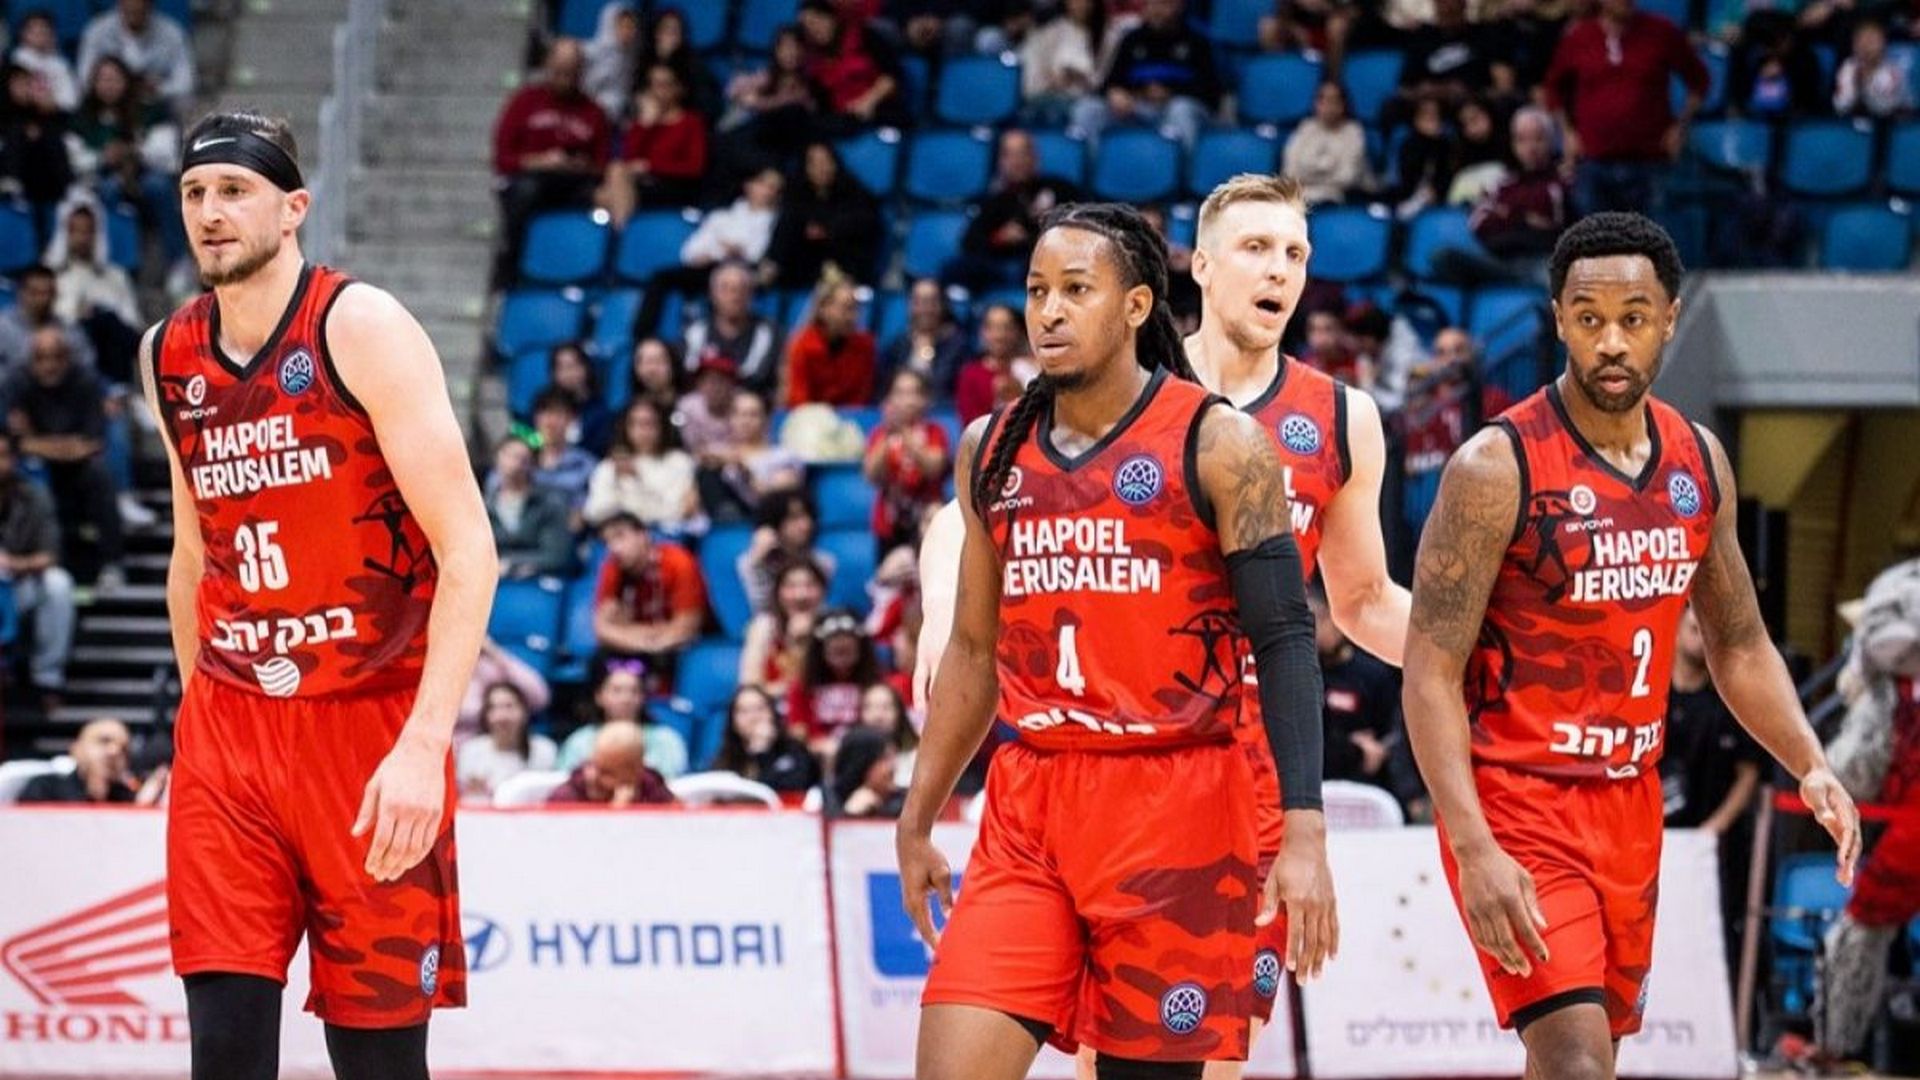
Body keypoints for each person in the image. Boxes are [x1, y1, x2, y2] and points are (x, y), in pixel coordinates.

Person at [1400, 212, 1861, 1080]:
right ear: (1558, 319)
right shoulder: (1495, 468)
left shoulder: (1698, 461)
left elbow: (1739, 644)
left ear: (1670, 319)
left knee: (1589, 1061)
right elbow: (1429, 674)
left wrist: (1810, 762)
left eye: (1633, 318)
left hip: (1630, 804)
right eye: (1588, 318)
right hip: (1521, 802)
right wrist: (1472, 845)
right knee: (1574, 1058)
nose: (1611, 341)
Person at [898, 202, 1331, 1079]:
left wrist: (1304, 832)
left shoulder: (1221, 442)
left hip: (1179, 804)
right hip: (1032, 803)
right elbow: (975, 655)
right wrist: (917, 817)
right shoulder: (992, 447)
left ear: (1136, 305)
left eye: (1075, 290)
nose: (1049, 312)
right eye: (1037, 292)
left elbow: (1286, 639)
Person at [142, 111, 496, 1080]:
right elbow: (191, 555)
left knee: (378, 1065)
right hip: (231, 731)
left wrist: (424, 746)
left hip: (367, 729)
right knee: (224, 1053)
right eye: (194, 194)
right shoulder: (167, 353)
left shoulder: (362, 326)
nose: (210, 213)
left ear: (293, 208)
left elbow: (469, 549)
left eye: (234, 191)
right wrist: (200, 724)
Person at [1173, 172, 1413, 1080]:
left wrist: (1488, 662)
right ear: (1201, 265)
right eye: (1256, 248)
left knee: (1217, 1050)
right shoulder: (1124, 386)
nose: (1280, 269)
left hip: (1258, 761)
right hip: (1134, 744)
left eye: (1295, 254)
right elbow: (969, 509)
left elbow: (1365, 601)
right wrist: (943, 606)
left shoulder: (1343, 417)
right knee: (1112, 1050)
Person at [1659, 604, 1763, 967]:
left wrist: (1712, 830)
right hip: (1645, 842)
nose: (1699, 629)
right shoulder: (1649, 690)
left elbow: (1749, 774)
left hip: (1708, 850)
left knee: (1705, 944)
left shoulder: (1731, 700)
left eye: (1707, 628)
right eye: (1692, 621)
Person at [1544, 0, 1707, 215]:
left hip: (1650, 161)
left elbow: (1699, 81)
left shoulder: (1662, 32)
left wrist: (1680, 126)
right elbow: (1553, 87)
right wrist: (1567, 133)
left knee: (1649, 233)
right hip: (1593, 162)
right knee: (1596, 234)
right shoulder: (1579, 37)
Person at [9, 326, 126, 586]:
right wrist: (63, 446)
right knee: (25, 475)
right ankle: (46, 562)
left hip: (79, 468)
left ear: (67, 358)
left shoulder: (86, 381)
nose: (49, 366)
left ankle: (112, 564)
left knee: (99, 474)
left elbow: (92, 444)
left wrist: (37, 443)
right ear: (31, 361)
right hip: (36, 469)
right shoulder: (18, 382)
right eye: (41, 358)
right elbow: (14, 443)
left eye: (56, 357)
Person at [490, 39, 610, 285]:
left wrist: (578, 165)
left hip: (575, 183)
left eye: (571, 71)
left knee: (603, 197)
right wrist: (540, 162)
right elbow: (502, 158)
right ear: (548, 65)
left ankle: (595, 273)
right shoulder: (525, 101)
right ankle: (511, 266)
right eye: (559, 70)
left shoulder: (593, 111)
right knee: (526, 190)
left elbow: (603, 164)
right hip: (531, 179)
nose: (564, 78)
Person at [942, 130, 1085, 293]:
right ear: (1000, 162)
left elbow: (1084, 228)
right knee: (955, 267)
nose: (1017, 161)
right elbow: (969, 242)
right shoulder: (994, 200)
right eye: (1009, 155)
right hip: (999, 268)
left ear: (1035, 158)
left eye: (1023, 153)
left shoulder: (1060, 189)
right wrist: (999, 238)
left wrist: (1047, 223)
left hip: (1044, 267)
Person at [1073, 0, 1220, 149]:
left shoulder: (1197, 41)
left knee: (1180, 110)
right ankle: (1085, 161)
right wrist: (1115, 93)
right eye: (1151, 4)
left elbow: (1211, 93)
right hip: (1136, 108)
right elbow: (1109, 83)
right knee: (1088, 109)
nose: (1155, 10)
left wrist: (1170, 93)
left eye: (1162, 4)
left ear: (1179, 5)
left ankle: (1181, 162)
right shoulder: (1132, 39)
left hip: (1174, 108)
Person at [592, 510, 705, 695]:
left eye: (620, 537)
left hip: (677, 648)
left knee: (670, 659)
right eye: (607, 542)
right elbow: (602, 630)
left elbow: (685, 629)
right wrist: (648, 642)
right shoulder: (612, 567)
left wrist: (629, 632)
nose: (614, 548)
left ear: (643, 536)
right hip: (642, 647)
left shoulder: (679, 562)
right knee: (599, 660)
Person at [0, 432, 74, 707]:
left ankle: (47, 677)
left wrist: (12, 563)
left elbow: (50, 555)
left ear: (14, 459)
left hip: (19, 584)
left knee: (58, 584)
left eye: (2, 455)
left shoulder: (33, 495)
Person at [599, 63, 708, 224]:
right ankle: (620, 229)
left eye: (664, 85)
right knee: (613, 175)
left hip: (673, 185)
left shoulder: (691, 122)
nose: (658, 92)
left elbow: (694, 167)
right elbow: (629, 158)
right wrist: (646, 125)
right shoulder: (644, 123)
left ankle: (618, 233)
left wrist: (651, 166)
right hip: (640, 182)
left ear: (678, 89)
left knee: (607, 191)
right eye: (653, 85)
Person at [583, 397, 701, 536]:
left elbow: (678, 512)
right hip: (618, 537)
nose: (643, 431)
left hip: (666, 537)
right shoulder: (609, 466)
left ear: (662, 426)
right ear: (626, 427)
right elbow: (593, 512)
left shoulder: (680, 462)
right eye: (636, 424)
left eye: (649, 424)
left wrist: (636, 481)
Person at [555, 660, 691, 779]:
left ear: (643, 698)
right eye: (617, 691)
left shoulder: (666, 740)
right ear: (599, 696)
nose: (626, 699)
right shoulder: (579, 741)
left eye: (634, 691)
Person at [864, 369, 949, 558]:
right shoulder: (879, 434)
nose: (907, 400)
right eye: (900, 393)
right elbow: (871, 475)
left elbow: (933, 468)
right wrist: (888, 435)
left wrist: (903, 431)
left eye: (913, 393)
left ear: (925, 399)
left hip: (926, 522)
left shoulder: (935, 432)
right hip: (889, 527)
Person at [678, 261, 784, 397]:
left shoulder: (771, 334)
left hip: (751, 403)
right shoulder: (694, 333)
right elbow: (688, 374)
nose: (734, 296)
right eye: (725, 289)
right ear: (712, 294)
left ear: (751, 295)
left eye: (741, 289)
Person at [789, 607, 883, 755]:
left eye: (847, 648)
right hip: (817, 757)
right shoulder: (802, 686)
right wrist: (819, 746)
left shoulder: (877, 685)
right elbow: (798, 732)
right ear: (820, 649)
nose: (841, 642)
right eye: (835, 646)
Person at [77, 0, 194, 111]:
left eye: (139, 10)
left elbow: (186, 82)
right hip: (110, 106)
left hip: (157, 105)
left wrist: (160, 89)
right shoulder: (97, 31)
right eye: (129, 9)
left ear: (150, 6)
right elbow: (84, 78)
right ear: (119, 4)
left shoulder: (172, 32)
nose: (134, 11)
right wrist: (114, 86)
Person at [455, 682, 558, 805]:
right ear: (485, 715)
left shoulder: (545, 750)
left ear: (524, 711)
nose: (502, 716)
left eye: (509, 706)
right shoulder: (471, 750)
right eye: (494, 708)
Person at [785, 268, 875, 407]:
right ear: (823, 309)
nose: (853, 317)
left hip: (850, 417)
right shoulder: (802, 345)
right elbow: (797, 399)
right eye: (847, 309)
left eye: (855, 309)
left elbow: (861, 399)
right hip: (808, 416)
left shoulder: (865, 346)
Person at [487, 435, 574, 579]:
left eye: (522, 458)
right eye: (509, 455)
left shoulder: (549, 502)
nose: (515, 462)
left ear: (532, 464)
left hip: (540, 580)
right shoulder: (484, 505)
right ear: (497, 459)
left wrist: (511, 564)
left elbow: (558, 555)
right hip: (495, 581)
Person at [739, 557, 828, 694]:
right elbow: (749, 687)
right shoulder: (763, 627)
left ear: (823, 591)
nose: (801, 595)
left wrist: (805, 642)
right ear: (778, 593)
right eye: (791, 586)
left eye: (810, 586)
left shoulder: (832, 626)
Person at [739, 489, 837, 613]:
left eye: (807, 517)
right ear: (775, 523)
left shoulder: (824, 561)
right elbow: (761, 607)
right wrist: (757, 561)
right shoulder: (752, 562)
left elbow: (817, 606)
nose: (805, 525)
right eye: (793, 518)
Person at [712, 684, 820, 792]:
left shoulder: (793, 749)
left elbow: (799, 784)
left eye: (760, 708)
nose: (753, 717)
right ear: (733, 721)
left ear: (772, 712)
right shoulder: (727, 758)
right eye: (744, 711)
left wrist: (763, 753)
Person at [877, 278, 969, 403]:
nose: (925, 309)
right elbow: (883, 391)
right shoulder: (897, 345)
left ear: (942, 305)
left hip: (941, 411)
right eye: (918, 302)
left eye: (932, 301)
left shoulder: (957, 347)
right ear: (910, 306)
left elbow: (953, 391)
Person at [546, 719, 676, 806]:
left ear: (635, 772)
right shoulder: (569, 794)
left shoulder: (650, 786)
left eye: (607, 772)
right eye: (593, 764)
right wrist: (614, 812)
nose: (593, 775)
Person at [1283, 81, 1372, 206]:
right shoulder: (1305, 128)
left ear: (1343, 105)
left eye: (1334, 101)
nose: (1328, 106)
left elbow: (1347, 177)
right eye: (1322, 101)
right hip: (1302, 195)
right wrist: (1323, 176)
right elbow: (1290, 173)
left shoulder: (1354, 132)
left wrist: (1309, 177)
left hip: (1342, 199)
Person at [18, 717, 143, 804]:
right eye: (104, 741)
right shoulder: (44, 788)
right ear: (77, 750)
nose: (114, 751)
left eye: (124, 749)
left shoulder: (130, 798)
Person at [833, 723, 905, 817]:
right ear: (862, 764)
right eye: (885, 758)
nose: (893, 767)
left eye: (893, 757)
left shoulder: (905, 805)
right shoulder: (823, 800)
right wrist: (849, 815)